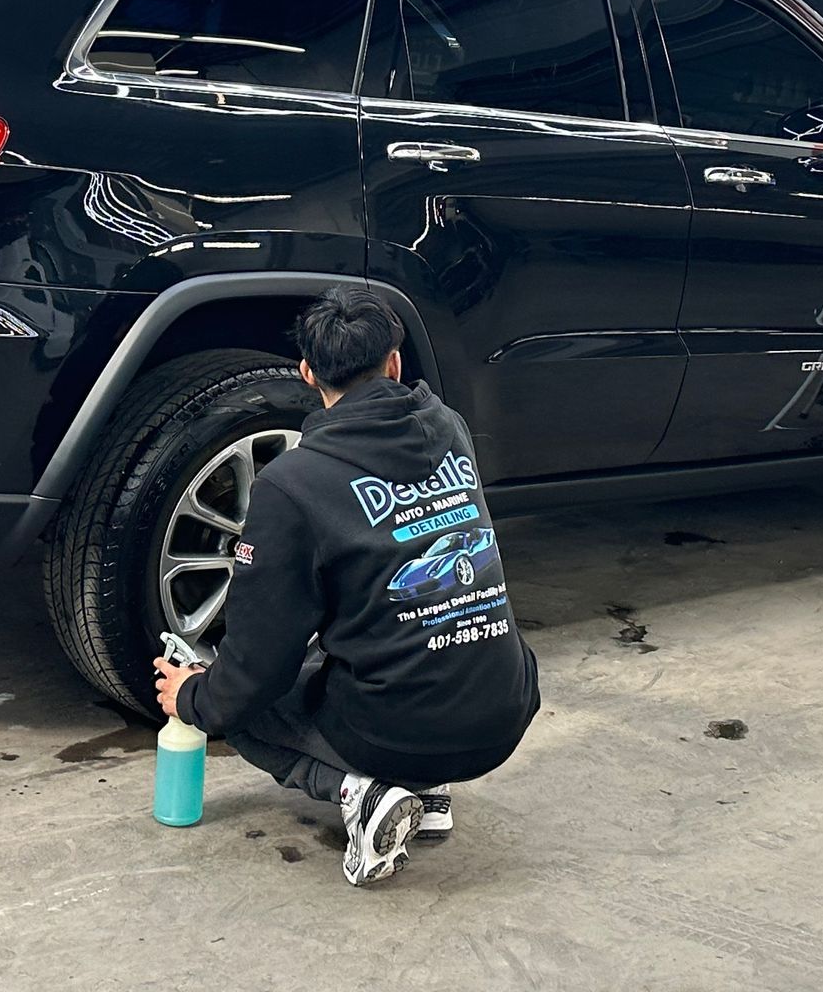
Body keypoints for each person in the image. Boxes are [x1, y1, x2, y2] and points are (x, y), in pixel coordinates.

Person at [152, 288, 541, 886]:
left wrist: (193, 699)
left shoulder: (293, 483)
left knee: (244, 706)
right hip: (506, 709)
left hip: (404, 727)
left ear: (308, 373)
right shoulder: (449, 428)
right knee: (413, 628)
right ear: (394, 363)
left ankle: (364, 792)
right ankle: (429, 794)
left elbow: (257, 667)